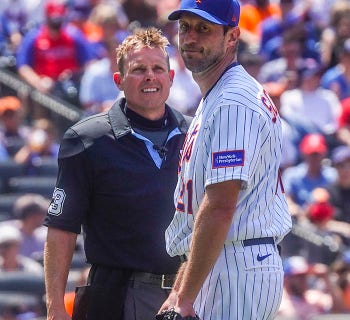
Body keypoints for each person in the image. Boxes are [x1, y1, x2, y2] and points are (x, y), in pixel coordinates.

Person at [44, 27, 190, 320]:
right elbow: (62, 228)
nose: (150, 76)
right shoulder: (87, 139)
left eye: (158, 68)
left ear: (171, 78)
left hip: (188, 293)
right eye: (138, 69)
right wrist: (55, 305)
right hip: (119, 297)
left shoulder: (196, 134)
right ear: (119, 81)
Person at [160, 0, 292, 318]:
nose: (190, 38)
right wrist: (180, 290)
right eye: (185, 27)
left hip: (235, 265)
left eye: (204, 29)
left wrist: (185, 297)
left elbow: (220, 206)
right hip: (225, 261)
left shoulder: (232, 101)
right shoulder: (219, 95)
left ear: (232, 37)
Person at [0, 193, 48, 259]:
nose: (45, 217)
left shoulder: (44, 234)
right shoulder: (5, 231)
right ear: (32, 216)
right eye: (43, 214)